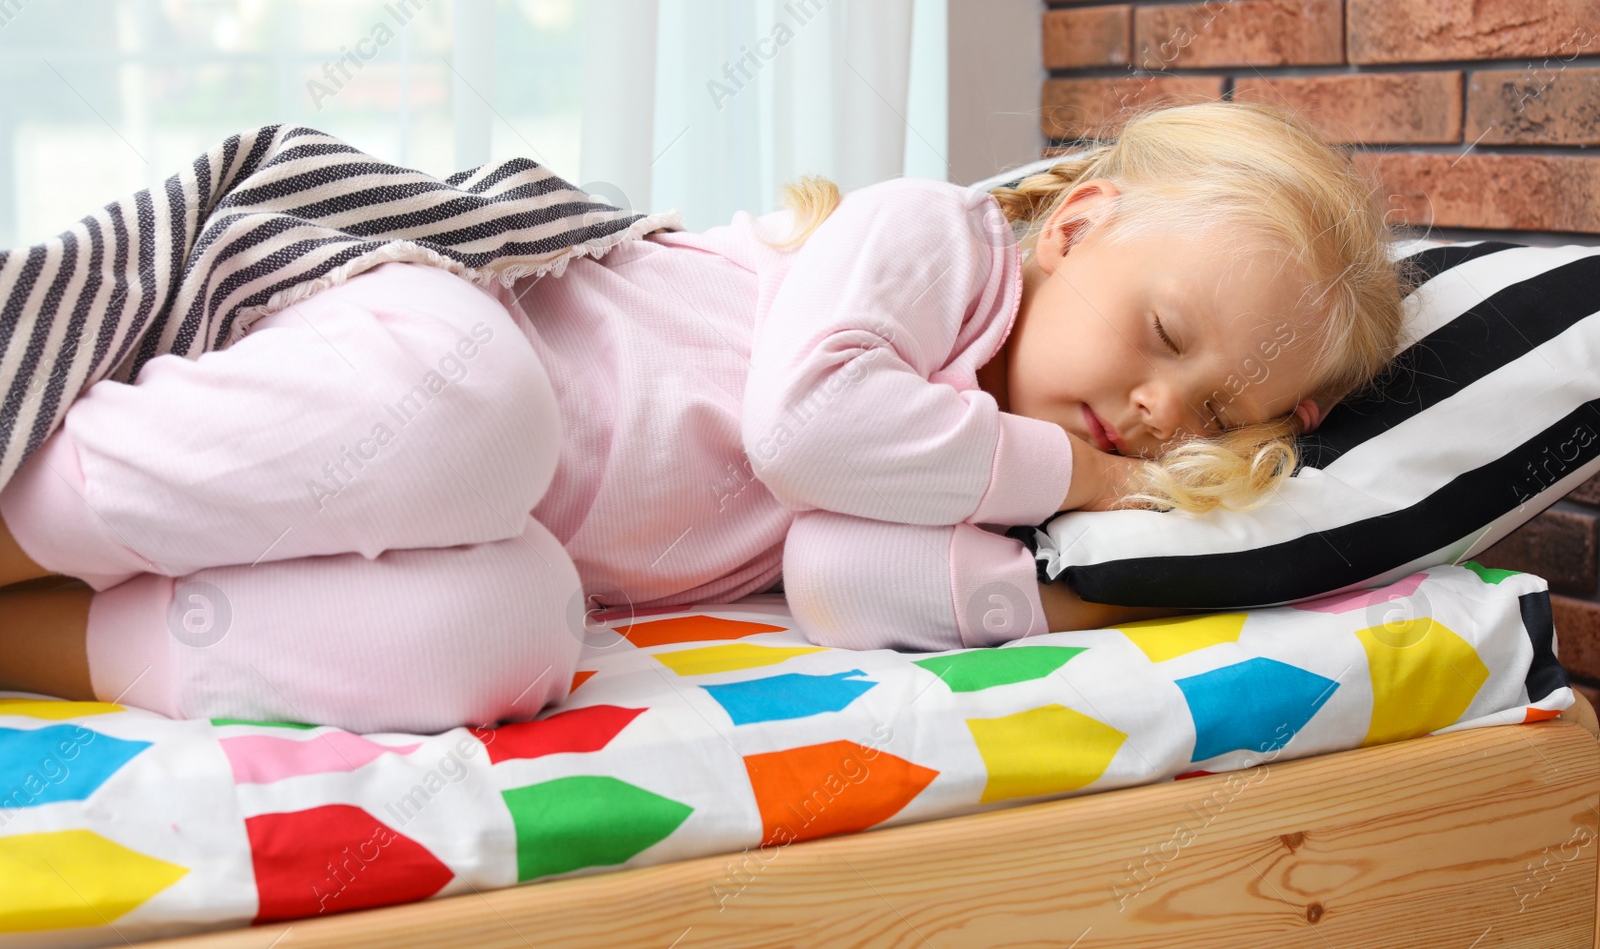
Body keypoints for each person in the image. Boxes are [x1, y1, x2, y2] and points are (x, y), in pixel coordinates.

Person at [0, 99, 1406, 734]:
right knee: (479, 415)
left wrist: (1102, 589)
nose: (1161, 409)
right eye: (1164, 336)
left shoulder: (962, 471)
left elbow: (838, 581)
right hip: (435, 347)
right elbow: (807, 428)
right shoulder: (934, 243)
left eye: (1213, 412)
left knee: (517, 635)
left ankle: (38, 633)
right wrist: (1069, 482)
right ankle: (24, 517)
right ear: (1077, 227)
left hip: (465, 528)